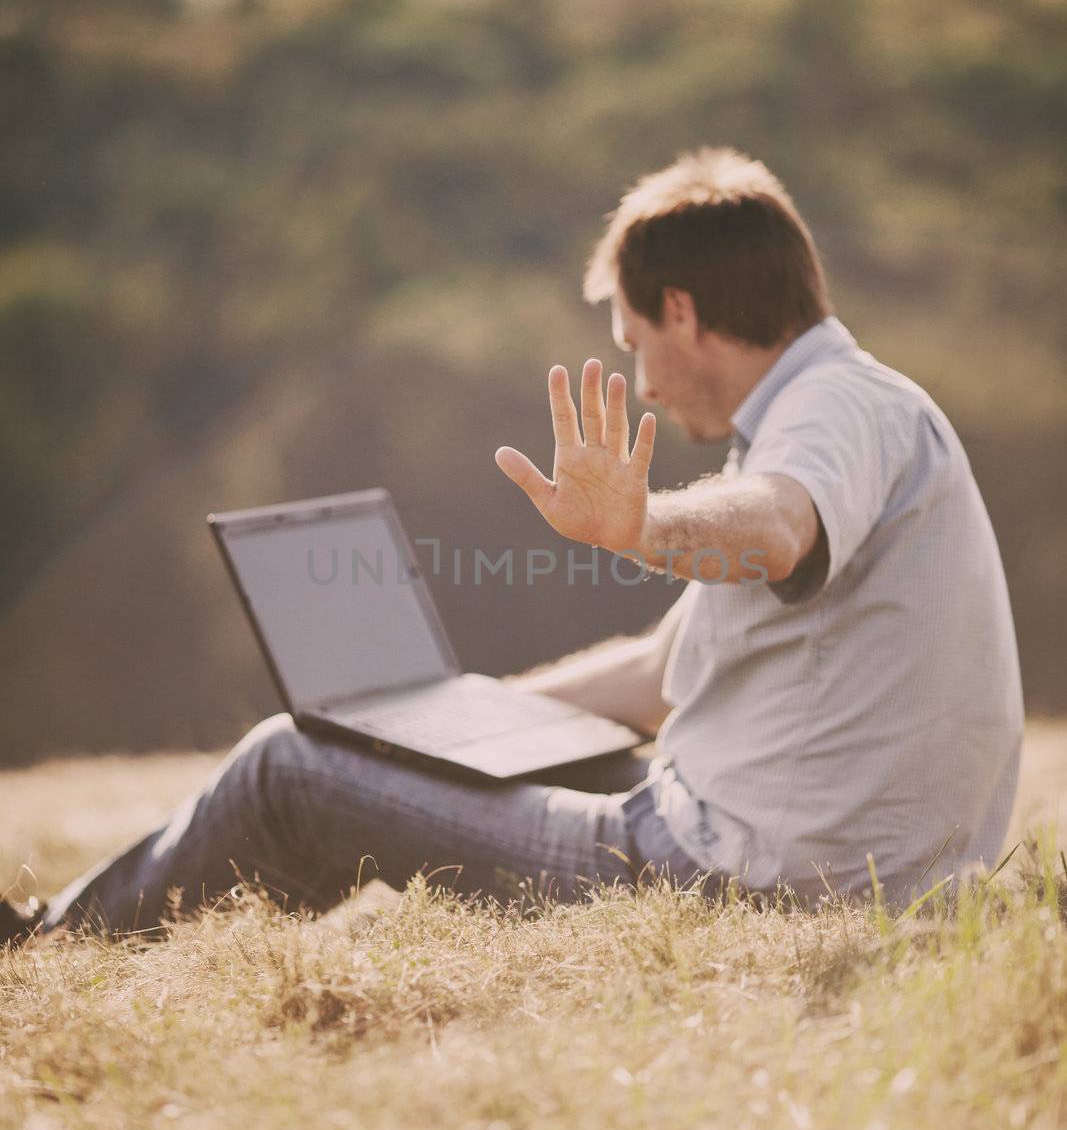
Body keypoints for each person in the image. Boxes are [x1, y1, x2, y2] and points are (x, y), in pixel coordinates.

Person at [0, 147, 1023, 946]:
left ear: (681, 309)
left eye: (631, 342)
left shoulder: (830, 408)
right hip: (834, 860)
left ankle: (49, 954)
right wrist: (444, 724)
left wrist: (642, 526)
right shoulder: (860, 410)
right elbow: (658, 674)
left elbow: (772, 525)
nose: (644, 381)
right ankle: (184, 907)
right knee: (377, 760)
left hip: (750, 877)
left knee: (286, 766)